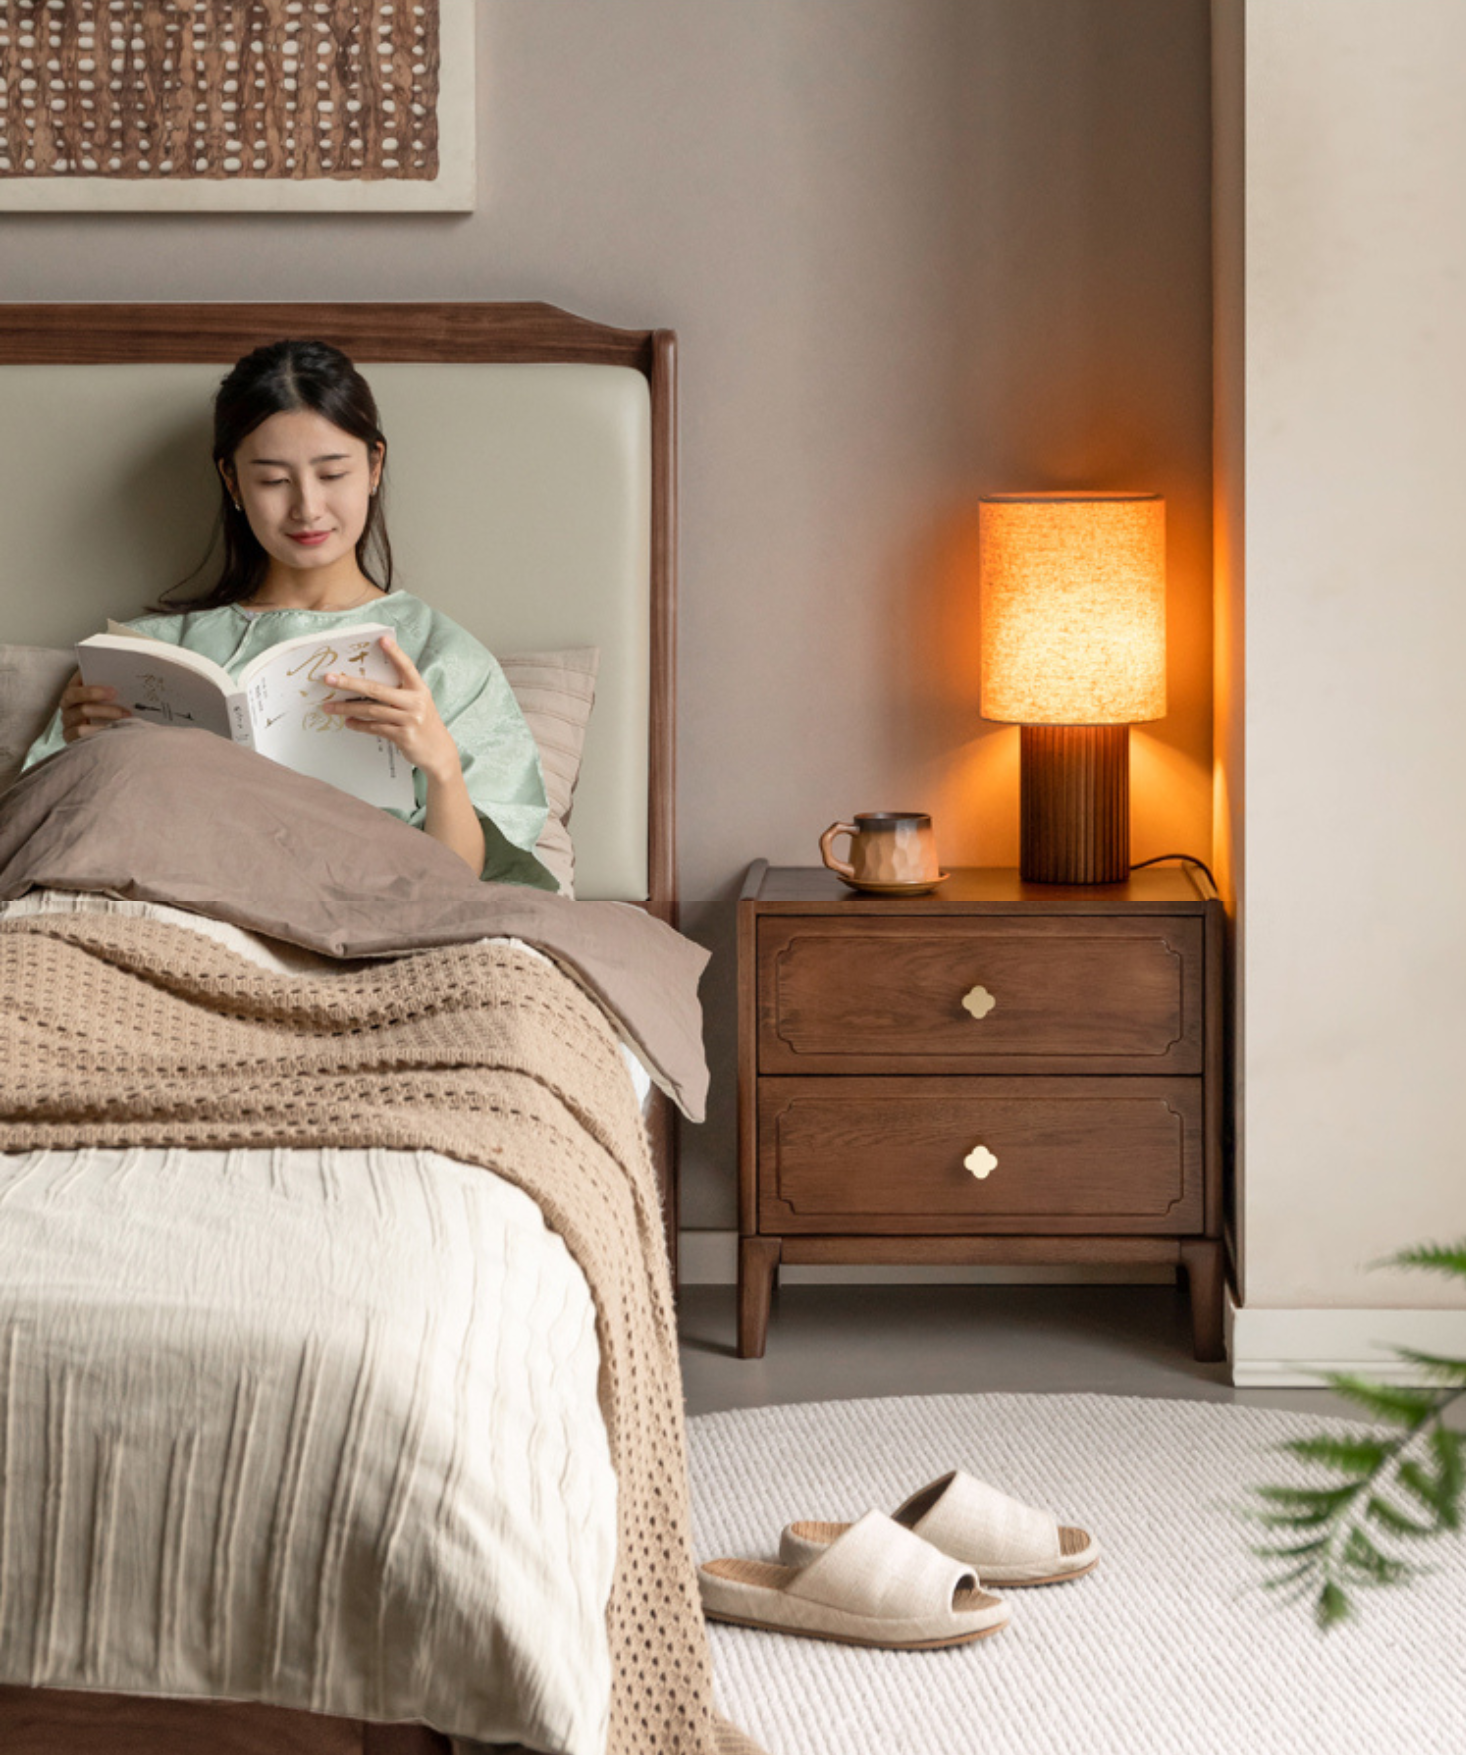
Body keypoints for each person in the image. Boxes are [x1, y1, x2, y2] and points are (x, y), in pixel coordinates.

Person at [23, 339, 555, 889]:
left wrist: (441, 766)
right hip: (174, 908)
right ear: (232, 482)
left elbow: (465, 886)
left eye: (331, 475)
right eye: (274, 480)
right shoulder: (145, 655)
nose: (307, 507)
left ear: (374, 466)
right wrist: (85, 754)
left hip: (372, 917)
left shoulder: (443, 659)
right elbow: (51, 841)